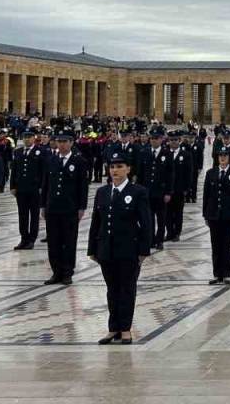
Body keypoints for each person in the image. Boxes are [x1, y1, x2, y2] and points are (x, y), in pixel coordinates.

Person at [88, 152, 153, 344]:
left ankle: (125, 328)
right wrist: (92, 248)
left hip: (129, 250)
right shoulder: (102, 192)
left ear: (128, 169)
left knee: (126, 289)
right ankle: (113, 328)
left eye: (119, 167)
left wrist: (143, 251)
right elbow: (96, 222)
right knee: (111, 289)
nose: (115, 170)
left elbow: (146, 223)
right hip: (106, 250)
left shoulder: (138, 192)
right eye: (112, 167)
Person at [42, 129, 89, 285]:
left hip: (70, 208)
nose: (61, 145)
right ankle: (56, 272)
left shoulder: (79, 161)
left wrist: (82, 207)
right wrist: (43, 205)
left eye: (64, 142)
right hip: (53, 207)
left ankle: (67, 272)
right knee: (53, 242)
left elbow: (83, 186)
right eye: (59, 141)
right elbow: (46, 184)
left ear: (71, 143)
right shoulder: (51, 160)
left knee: (69, 241)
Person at [202, 149, 230, 285]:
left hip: (229, 214)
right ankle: (217, 274)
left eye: (225, 155)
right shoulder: (211, 173)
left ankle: (226, 273)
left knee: (227, 244)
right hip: (213, 214)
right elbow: (206, 195)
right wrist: (205, 214)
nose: (222, 158)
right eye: (220, 155)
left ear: (229, 157)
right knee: (215, 244)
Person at [10, 129, 45, 250]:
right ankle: (23, 238)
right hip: (21, 189)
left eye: (29, 137)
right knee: (22, 214)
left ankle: (31, 239)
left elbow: (44, 172)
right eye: (25, 137)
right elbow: (14, 170)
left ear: (34, 139)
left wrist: (42, 187)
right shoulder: (18, 152)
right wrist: (12, 186)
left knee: (34, 215)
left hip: (35, 189)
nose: (27, 139)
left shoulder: (41, 152)